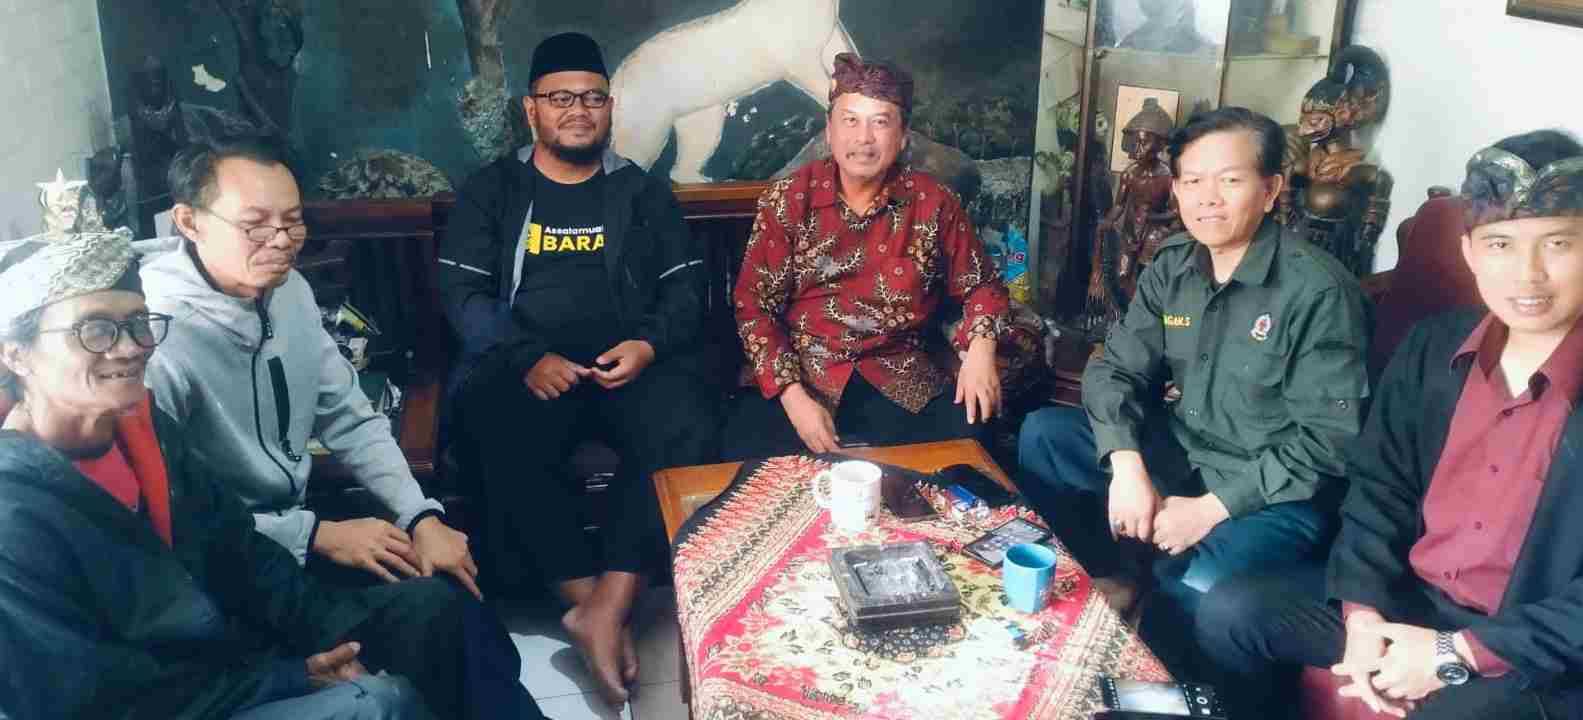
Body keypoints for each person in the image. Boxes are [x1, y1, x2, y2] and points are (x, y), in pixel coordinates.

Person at [0, 231, 543, 719]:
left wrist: (329, 633)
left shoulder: (145, 428)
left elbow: (239, 549)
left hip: (223, 647)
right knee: (378, 704)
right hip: (161, 698)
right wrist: (287, 678)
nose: (129, 347)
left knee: (431, 608)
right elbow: (85, 695)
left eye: (138, 324)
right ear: (17, 354)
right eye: (95, 330)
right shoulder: (14, 512)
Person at [1194, 131, 1583, 719]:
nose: (1527, 275)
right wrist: (1364, 614)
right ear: (1471, 252)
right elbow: (1380, 487)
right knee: (1232, 613)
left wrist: (1455, 653)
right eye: (1500, 244)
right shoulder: (1434, 347)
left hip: (1526, 646)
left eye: (1557, 243)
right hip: (1410, 600)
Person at [1015, 107, 1370, 668]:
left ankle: (1158, 672)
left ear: (1270, 190)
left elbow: (1328, 442)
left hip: (1270, 494)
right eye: (1193, 181)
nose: (1209, 199)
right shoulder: (1174, 264)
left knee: (1198, 583)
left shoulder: (1318, 292)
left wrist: (1211, 509)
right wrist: (1127, 464)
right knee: (1045, 436)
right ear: (1176, 189)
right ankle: (1108, 581)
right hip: (1182, 451)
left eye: (1230, 180)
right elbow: (1116, 369)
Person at [440, 32, 716, 706]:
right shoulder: (493, 190)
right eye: (561, 98)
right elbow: (463, 295)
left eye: (592, 98)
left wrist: (648, 345)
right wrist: (527, 356)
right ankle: (588, 602)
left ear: (610, 108)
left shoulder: (641, 192)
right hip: (529, 369)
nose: (578, 111)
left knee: (687, 419)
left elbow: (687, 293)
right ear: (531, 108)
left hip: (626, 368)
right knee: (492, 424)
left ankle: (605, 605)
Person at [139, 137, 480, 599]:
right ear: (188, 222)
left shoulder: (289, 291)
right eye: (255, 225)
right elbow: (165, 508)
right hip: (220, 560)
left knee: (451, 577)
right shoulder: (156, 337)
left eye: (293, 221)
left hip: (299, 527)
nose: (282, 241)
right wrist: (314, 535)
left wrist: (420, 515)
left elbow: (348, 416)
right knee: (428, 605)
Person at [723, 52, 1012, 460]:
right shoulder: (788, 199)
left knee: (970, 436)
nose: (864, 138)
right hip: (805, 370)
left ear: (903, 136)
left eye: (880, 122)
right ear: (829, 131)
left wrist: (980, 351)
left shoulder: (934, 203)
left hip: (899, 372)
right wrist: (793, 398)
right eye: (850, 120)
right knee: (746, 452)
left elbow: (982, 286)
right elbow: (754, 306)